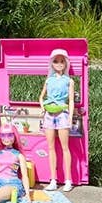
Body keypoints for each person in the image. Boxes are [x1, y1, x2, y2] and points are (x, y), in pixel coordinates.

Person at [39, 48, 75, 192]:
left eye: (62, 61)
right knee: (51, 147)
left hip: (62, 114)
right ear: (52, 64)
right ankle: (53, 179)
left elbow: (71, 100)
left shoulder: (69, 81)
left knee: (65, 148)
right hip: (49, 113)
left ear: (66, 63)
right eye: (56, 61)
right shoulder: (49, 80)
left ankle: (68, 180)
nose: (59, 64)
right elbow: (41, 96)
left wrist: (70, 116)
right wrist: (42, 107)